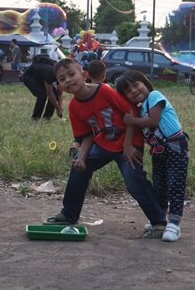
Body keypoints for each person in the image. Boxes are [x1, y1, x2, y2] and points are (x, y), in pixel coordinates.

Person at [46, 59, 167, 238]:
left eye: (72, 74)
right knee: (79, 168)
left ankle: (158, 220)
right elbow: (86, 134)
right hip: (104, 142)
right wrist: (81, 158)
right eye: (63, 79)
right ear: (60, 87)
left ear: (84, 75)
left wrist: (127, 146)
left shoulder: (104, 91)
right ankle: (69, 213)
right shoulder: (74, 106)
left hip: (129, 140)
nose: (69, 80)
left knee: (134, 182)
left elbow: (131, 112)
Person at [116, 70, 189, 242]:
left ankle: (174, 224)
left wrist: (131, 121)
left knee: (175, 185)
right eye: (128, 91)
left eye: (136, 85)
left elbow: (153, 121)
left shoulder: (155, 96)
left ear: (146, 83)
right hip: (159, 150)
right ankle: (160, 218)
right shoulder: (139, 110)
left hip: (175, 145)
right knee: (160, 185)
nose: (133, 91)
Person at [21, 55, 63, 120]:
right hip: (29, 77)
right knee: (42, 96)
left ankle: (47, 117)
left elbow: (59, 92)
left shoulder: (61, 75)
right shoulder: (51, 73)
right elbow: (50, 93)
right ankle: (35, 118)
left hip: (40, 77)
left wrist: (60, 107)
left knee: (55, 94)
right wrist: (57, 108)